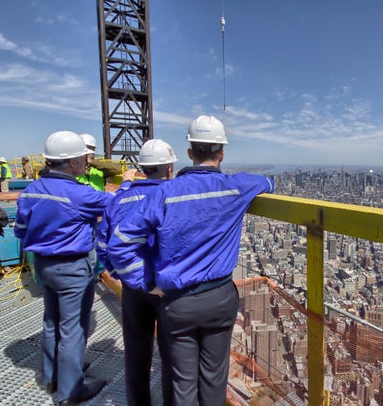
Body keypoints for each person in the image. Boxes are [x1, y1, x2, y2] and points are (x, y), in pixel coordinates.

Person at [108, 115, 274, 405]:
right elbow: (267, 182)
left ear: (188, 153)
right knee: (214, 380)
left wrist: (144, 282)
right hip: (220, 298)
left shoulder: (164, 193)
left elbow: (120, 243)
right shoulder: (236, 187)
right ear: (222, 153)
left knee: (182, 385)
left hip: (178, 302)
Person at [14, 131, 136, 405]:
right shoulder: (78, 194)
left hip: (43, 265)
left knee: (51, 321)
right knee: (73, 328)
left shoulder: (31, 191)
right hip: (71, 267)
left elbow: (20, 231)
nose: (85, 163)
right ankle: (70, 391)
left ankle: (51, 376)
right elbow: (115, 204)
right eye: (82, 158)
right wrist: (126, 183)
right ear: (71, 163)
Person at [97, 139, 177, 405]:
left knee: (136, 351)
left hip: (133, 287)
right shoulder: (176, 196)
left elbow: (103, 245)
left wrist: (120, 275)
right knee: (171, 356)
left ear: (142, 168)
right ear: (169, 169)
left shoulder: (119, 198)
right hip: (166, 289)